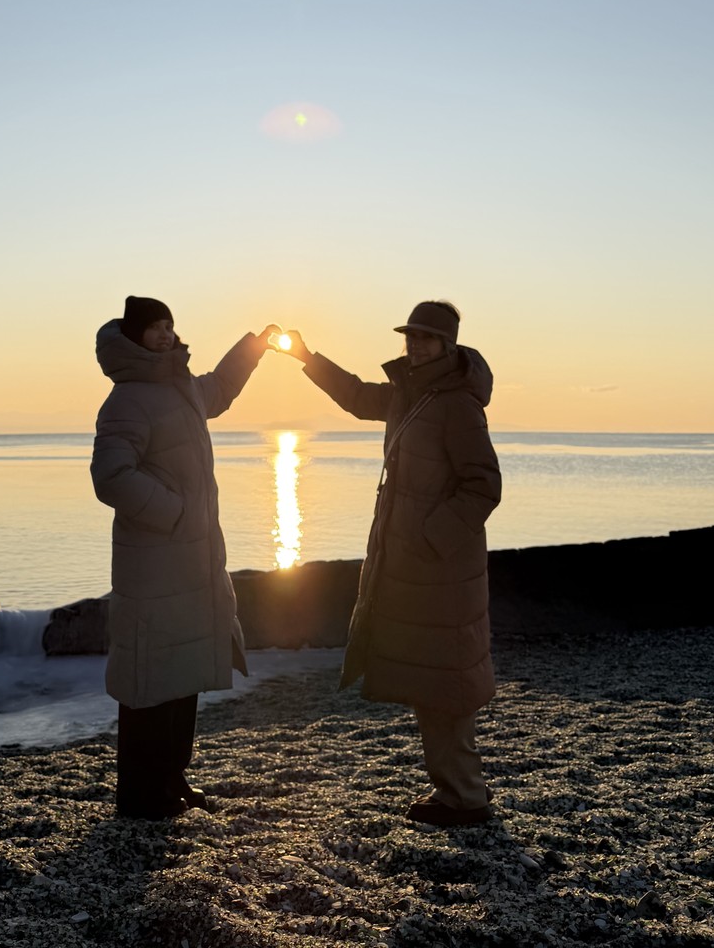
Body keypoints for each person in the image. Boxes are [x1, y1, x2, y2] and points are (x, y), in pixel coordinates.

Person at [280, 300, 502, 827]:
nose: (416, 345)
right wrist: (307, 358)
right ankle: (456, 793)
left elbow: (484, 486)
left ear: (448, 345)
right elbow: (357, 396)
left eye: (427, 338)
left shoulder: (457, 404)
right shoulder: (411, 394)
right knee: (434, 682)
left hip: (441, 567)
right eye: (411, 336)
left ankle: (465, 799)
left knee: (447, 682)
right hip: (415, 562)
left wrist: (429, 537)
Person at [90, 295, 280, 820]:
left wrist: (255, 347)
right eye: (154, 328)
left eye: (170, 325)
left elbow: (220, 386)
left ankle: (172, 778)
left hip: (192, 562)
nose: (166, 335)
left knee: (182, 675)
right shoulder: (127, 399)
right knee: (148, 679)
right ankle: (140, 794)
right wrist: (173, 513)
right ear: (133, 337)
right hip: (153, 563)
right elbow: (110, 477)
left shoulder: (183, 390)